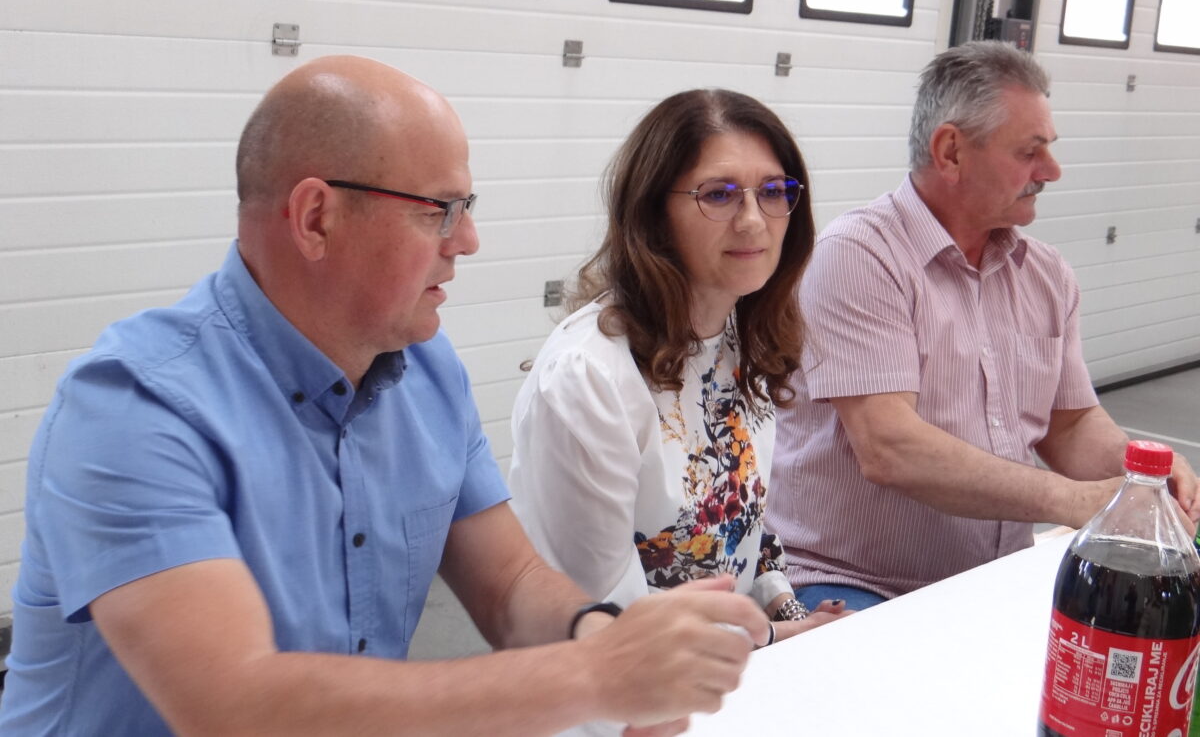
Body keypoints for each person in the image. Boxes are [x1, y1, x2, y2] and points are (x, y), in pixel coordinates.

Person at [0, 57, 769, 737]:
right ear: (316, 218)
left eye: (468, 207)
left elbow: (510, 584)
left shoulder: (425, 372)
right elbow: (236, 707)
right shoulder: (133, 411)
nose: (467, 241)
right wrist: (595, 675)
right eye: (440, 210)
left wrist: (597, 633)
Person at [766, 40, 1200, 611]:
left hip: (992, 576)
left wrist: (1143, 474)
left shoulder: (1046, 274)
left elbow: (1070, 426)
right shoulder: (860, 257)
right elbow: (890, 448)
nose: (1052, 171)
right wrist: (1070, 501)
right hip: (854, 583)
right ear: (950, 152)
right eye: (1030, 152)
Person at [509, 90, 851, 734]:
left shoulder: (738, 338)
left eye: (772, 191)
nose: (752, 220)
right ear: (653, 216)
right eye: (718, 195)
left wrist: (788, 608)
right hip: (614, 713)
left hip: (719, 679)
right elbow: (611, 618)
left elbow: (743, 526)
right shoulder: (590, 378)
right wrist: (779, 637)